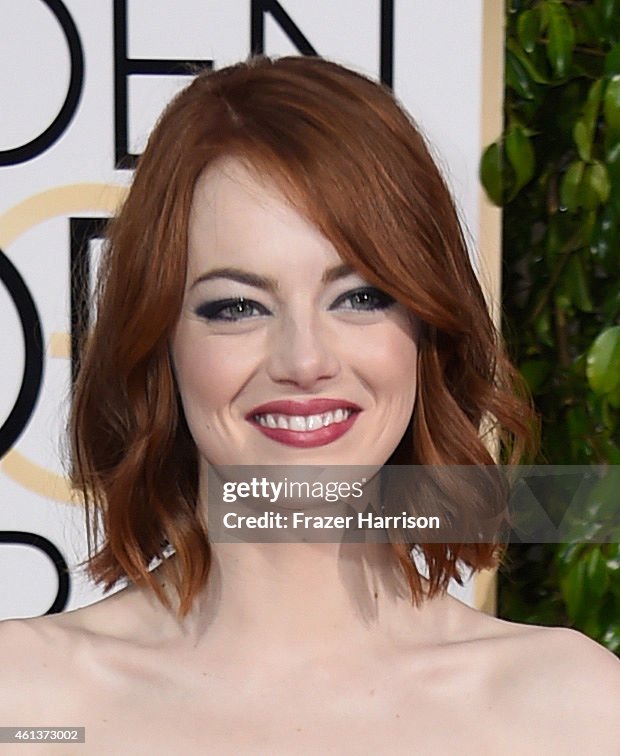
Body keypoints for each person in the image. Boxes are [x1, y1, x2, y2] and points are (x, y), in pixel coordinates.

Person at [1, 55, 618, 755]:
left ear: (427, 328)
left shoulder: (571, 711)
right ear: (158, 343)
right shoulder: (25, 702)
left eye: (360, 296)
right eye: (236, 306)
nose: (305, 360)